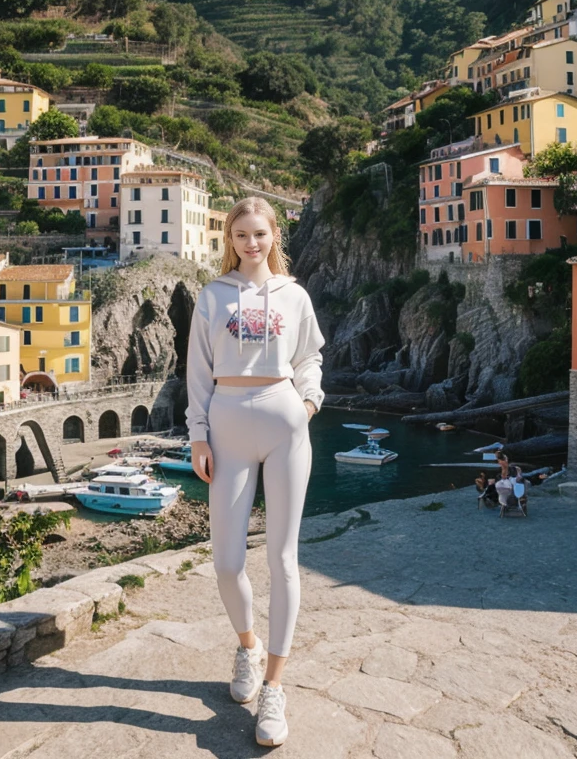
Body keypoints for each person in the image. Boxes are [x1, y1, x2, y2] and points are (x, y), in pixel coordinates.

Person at [186, 196, 324, 748]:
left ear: (274, 237)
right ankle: (247, 646)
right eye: (241, 234)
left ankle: (274, 685)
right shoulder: (212, 295)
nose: (251, 243)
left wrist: (308, 403)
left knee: (283, 558)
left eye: (260, 233)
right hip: (226, 422)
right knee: (226, 561)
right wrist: (198, 434)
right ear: (229, 238)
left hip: (285, 421)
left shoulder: (294, 295)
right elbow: (196, 368)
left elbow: (310, 356)